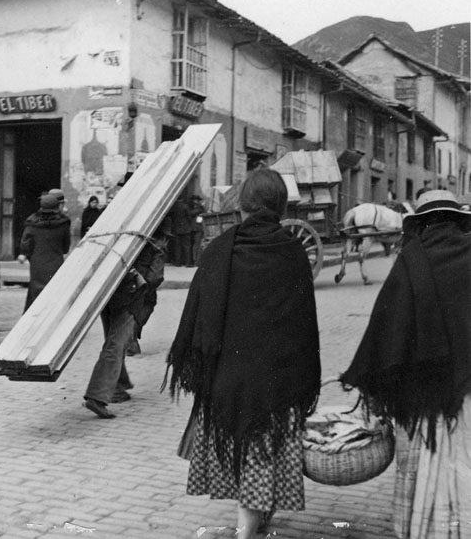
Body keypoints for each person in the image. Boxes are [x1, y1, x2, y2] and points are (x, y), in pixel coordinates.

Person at [163, 167, 321, 539]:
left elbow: (197, 319)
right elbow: (303, 325)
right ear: (280, 206)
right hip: (276, 378)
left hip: (228, 377)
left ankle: (250, 522)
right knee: (263, 451)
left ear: (243, 206)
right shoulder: (293, 252)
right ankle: (247, 527)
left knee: (245, 447)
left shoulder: (219, 250)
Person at [340, 189, 471, 539]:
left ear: (421, 224)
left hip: (425, 401)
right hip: (469, 395)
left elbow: (388, 331)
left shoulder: (411, 259)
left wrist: (376, 391)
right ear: (459, 221)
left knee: (427, 478)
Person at [83, 220, 169, 418]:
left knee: (114, 341)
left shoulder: (117, 235)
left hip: (109, 297)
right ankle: (97, 396)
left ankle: (119, 387)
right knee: (116, 344)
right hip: (134, 301)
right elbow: (155, 279)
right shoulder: (157, 246)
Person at [18, 193, 71, 312]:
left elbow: (26, 244)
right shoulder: (64, 223)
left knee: (36, 291)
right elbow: (65, 247)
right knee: (55, 291)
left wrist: (25, 254)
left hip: (37, 264)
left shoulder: (32, 223)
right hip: (56, 262)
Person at [170, 194, 192, 266]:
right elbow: (189, 216)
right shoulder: (185, 206)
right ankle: (188, 263)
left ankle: (178, 262)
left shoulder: (173, 206)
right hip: (185, 229)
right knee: (187, 246)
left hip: (176, 229)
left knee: (177, 247)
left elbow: (172, 216)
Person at [188, 194, 206, 266]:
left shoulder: (197, 208)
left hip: (196, 228)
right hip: (196, 228)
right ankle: (195, 260)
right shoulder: (198, 208)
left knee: (196, 244)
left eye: (197, 200)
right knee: (196, 245)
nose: (196, 202)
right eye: (195, 200)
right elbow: (192, 213)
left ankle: (195, 260)